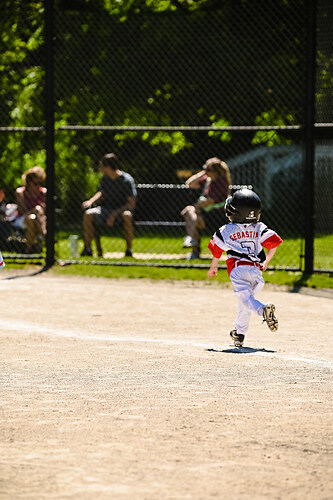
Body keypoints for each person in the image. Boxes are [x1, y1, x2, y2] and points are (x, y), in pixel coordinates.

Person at [207, 188, 283, 347]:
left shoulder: (225, 230)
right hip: (256, 270)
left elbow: (216, 250)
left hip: (238, 268)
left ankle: (263, 311)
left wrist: (213, 267)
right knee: (246, 302)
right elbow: (273, 243)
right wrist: (267, 260)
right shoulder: (260, 227)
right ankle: (239, 334)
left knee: (246, 300)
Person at [81, 153, 137, 258]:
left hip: (121, 211)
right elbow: (101, 193)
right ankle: (88, 249)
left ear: (108, 167)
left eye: (101, 166)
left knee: (127, 215)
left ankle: (129, 250)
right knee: (88, 214)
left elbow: (131, 204)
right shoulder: (105, 179)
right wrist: (90, 201)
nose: (100, 169)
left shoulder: (126, 180)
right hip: (106, 210)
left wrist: (114, 214)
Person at [181, 157, 231, 259]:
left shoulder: (220, 182)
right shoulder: (208, 179)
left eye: (208, 170)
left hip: (217, 215)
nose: (206, 171)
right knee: (191, 214)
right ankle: (192, 241)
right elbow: (189, 184)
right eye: (205, 168)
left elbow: (210, 201)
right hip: (206, 213)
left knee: (190, 213)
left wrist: (196, 207)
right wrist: (202, 173)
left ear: (216, 172)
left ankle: (193, 244)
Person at [13, 166, 47, 253]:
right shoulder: (20, 192)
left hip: (40, 219)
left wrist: (37, 211)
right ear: (28, 182)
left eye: (40, 183)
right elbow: (23, 210)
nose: (38, 186)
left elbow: (45, 210)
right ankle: (43, 234)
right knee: (32, 216)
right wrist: (35, 210)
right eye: (35, 183)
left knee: (34, 217)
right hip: (22, 219)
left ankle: (28, 250)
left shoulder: (43, 192)